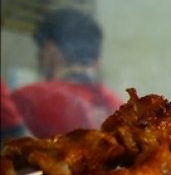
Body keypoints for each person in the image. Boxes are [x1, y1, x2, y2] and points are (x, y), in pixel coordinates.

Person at [11, 8, 125, 138]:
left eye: (41, 51)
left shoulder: (27, 99)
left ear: (50, 50)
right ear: (98, 59)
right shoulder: (119, 106)